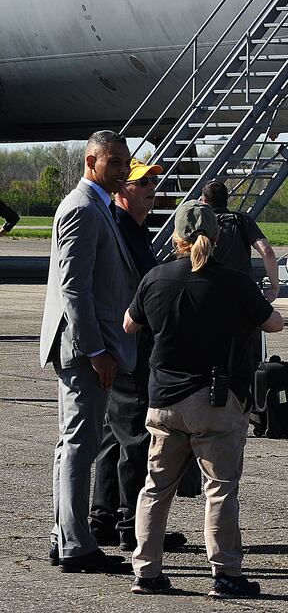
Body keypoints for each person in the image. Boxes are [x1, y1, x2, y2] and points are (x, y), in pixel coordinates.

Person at [123, 201, 283, 597]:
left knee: (156, 488)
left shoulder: (155, 278)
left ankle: (146, 570)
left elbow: (129, 324)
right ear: (215, 236)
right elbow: (275, 324)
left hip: (164, 401)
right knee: (220, 488)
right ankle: (225, 574)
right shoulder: (233, 282)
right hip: (216, 399)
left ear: (176, 239)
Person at [39, 129, 138, 574]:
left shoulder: (98, 205)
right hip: (84, 348)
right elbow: (73, 288)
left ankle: (67, 536)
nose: (122, 170)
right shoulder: (82, 207)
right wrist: (97, 350)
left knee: (74, 442)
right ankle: (76, 546)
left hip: (89, 345)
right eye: (114, 162)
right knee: (79, 442)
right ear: (90, 161)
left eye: (125, 162)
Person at [90, 159, 186, 556]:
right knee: (136, 437)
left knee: (115, 434)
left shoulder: (134, 228)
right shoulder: (121, 228)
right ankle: (133, 524)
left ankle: (102, 518)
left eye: (152, 181)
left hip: (128, 345)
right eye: (141, 182)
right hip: (128, 345)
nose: (150, 188)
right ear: (120, 190)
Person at [201, 181, 280, 301]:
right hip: (242, 289)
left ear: (204, 201)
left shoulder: (200, 223)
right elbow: (267, 251)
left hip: (210, 289)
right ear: (226, 199)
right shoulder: (243, 220)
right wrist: (275, 287)